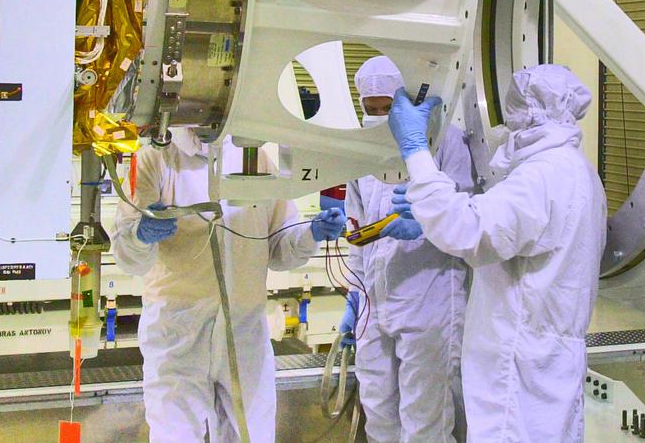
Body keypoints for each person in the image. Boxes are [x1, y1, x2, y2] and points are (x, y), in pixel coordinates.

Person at [387, 65, 606, 443]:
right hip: (547, 365)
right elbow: (514, 232)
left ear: (528, 112)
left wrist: (416, 151)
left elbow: (470, 231)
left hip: (518, 372)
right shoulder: (577, 172)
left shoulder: (543, 174)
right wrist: (443, 213)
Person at [113, 128, 347, 443]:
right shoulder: (155, 158)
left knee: (252, 433)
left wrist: (311, 233)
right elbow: (130, 259)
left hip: (244, 328)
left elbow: (279, 246)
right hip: (177, 329)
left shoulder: (254, 155)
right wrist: (140, 235)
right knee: (175, 434)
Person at [340, 56, 473, 443]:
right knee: (377, 411)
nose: (380, 117)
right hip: (374, 302)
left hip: (428, 297)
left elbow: (470, 217)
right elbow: (356, 227)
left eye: (388, 108)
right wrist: (355, 293)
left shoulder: (443, 140)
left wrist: (426, 223)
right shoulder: (360, 148)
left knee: (424, 421)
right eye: (372, 110)